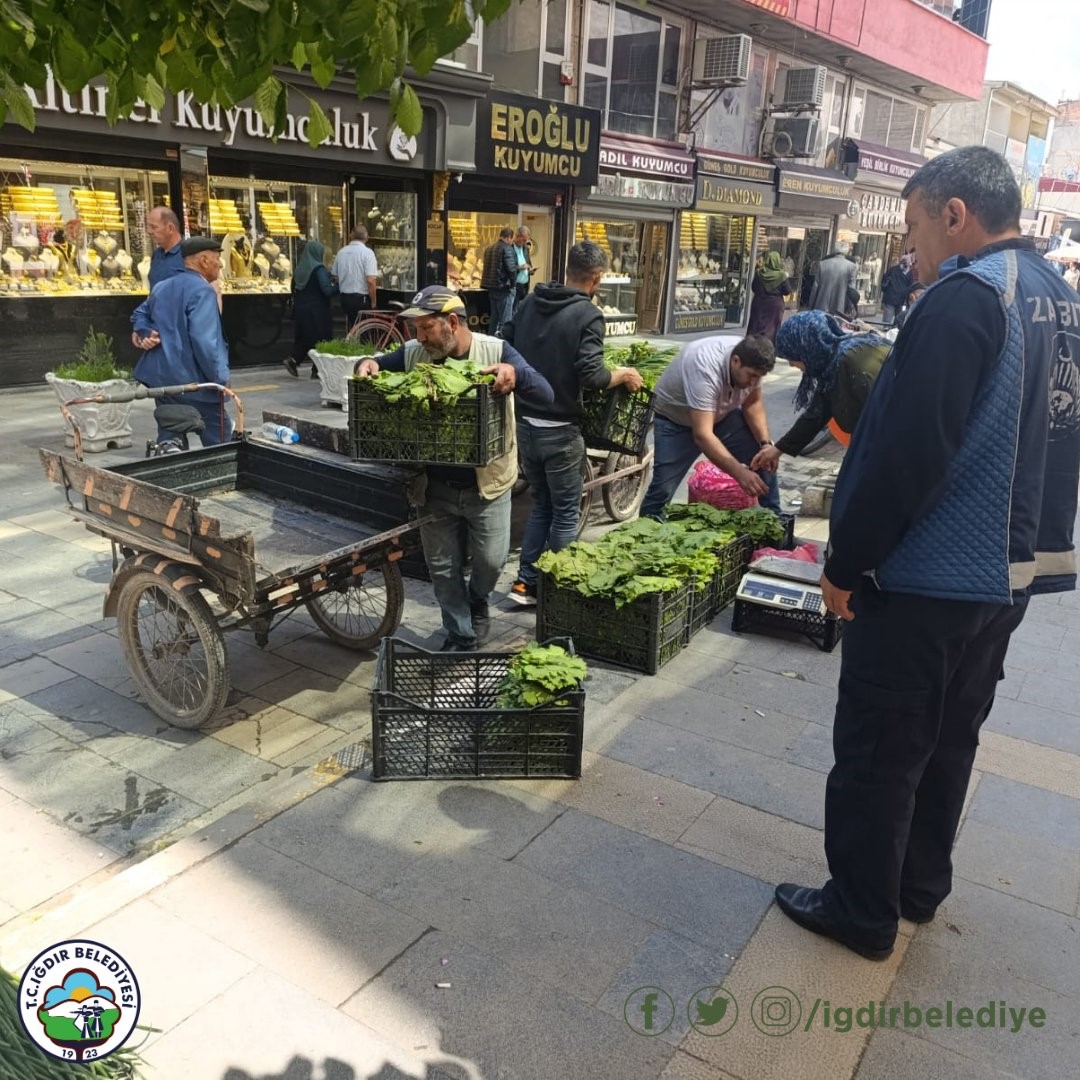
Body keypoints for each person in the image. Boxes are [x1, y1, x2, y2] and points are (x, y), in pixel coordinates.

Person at [774, 146, 1080, 961]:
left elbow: (907, 452)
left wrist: (846, 564)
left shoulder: (965, 299)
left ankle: (862, 910)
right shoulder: (1059, 298)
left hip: (931, 577)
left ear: (955, 214)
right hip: (1011, 575)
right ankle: (917, 886)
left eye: (914, 228)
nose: (910, 251)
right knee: (949, 739)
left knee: (880, 747)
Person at [355, 286, 554, 651]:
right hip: (434, 487)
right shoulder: (415, 353)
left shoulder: (495, 350)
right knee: (443, 570)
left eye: (426, 328)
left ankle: (477, 600)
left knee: (491, 561)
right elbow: (377, 364)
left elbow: (545, 392)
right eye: (416, 329)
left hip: (488, 486)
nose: (419, 337)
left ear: (452, 322)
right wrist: (366, 364)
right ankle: (461, 634)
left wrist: (515, 374)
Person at [502, 240, 643, 605]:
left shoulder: (530, 302)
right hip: (560, 431)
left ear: (567, 270)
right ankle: (555, 592)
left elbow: (506, 344)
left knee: (542, 506)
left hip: (526, 426)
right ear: (597, 278)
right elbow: (593, 375)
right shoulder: (588, 315)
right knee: (565, 513)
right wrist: (623, 374)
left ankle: (526, 584)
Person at [639, 334, 780, 520]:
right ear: (735, 361)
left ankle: (776, 520)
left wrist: (765, 444)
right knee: (662, 489)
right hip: (675, 421)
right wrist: (740, 473)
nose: (753, 382)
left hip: (721, 415)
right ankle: (647, 528)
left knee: (763, 458)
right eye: (751, 375)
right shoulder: (704, 367)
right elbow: (703, 435)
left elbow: (752, 403)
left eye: (759, 377)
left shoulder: (753, 360)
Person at [751, 312, 890, 477]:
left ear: (807, 348)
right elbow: (816, 415)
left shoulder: (851, 362)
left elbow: (883, 421)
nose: (792, 365)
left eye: (792, 357)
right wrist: (777, 450)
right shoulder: (834, 363)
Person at [130, 237, 233, 445]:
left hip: (163, 382)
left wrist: (144, 330)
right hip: (194, 383)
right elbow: (205, 343)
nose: (221, 264)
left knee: (171, 436)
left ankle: (169, 456)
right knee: (220, 438)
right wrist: (220, 381)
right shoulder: (203, 290)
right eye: (217, 258)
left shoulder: (162, 286)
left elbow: (139, 313)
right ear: (204, 260)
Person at [285, 240, 338, 379]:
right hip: (317, 311)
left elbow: (293, 288)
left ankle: (295, 361)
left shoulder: (299, 269)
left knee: (306, 338)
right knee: (322, 339)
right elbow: (327, 290)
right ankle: (317, 370)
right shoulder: (319, 269)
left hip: (301, 310)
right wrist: (339, 286)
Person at [332, 226, 378, 329]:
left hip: (345, 297)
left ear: (350, 236)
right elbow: (371, 280)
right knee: (364, 329)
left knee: (352, 326)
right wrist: (374, 302)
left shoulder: (341, 252)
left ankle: (351, 338)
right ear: (366, 238)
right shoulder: (368, 253)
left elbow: (335, 276)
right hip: (361, 299)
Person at [746, 251, 793, 342]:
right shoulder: (781, 275)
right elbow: (787, 291)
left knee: (756, 326)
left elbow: (753, 287)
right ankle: (767, 346)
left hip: (759, 303)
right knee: (772, 328)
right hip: (774, 306)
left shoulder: (759, 273)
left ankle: (751, 344)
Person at [480, 226, 518, 336]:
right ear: (509, 237)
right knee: (505, 321)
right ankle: (503, 342)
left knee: (494, 319)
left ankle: (491, 341)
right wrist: (513, 285)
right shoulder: (507, 249)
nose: (512, 242)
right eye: (512, 239)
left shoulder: (489, 248)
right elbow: (511, 269)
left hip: (492, 288)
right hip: (504, 288)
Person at [809, 241, 858, 317]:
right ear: (847, 251)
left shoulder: (822, 264)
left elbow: (815, 286)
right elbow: (851, 289)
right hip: (840, 308)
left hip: (821, 306)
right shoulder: (851, 267)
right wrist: (850, 307)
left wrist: (811, 304)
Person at [146, 206, 184, 289]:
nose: (149, 231)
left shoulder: (188, 253)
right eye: (148, 227)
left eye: (154, 227)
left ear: (170, 228)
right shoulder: (157, 254)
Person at [879, 253, 915, 325]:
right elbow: (910, 286)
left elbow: (885, 280)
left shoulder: (893, 269)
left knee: (888, 317)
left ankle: (887, 326)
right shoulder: (909, 274)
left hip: (891, 296)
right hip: (901, 298)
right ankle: (894, 327)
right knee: (898, 317)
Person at [512, 225, 536, 311]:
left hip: (525, 285)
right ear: (518, 236)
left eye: (526, 240)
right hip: (514, 285)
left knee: (522, 310)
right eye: (524, 240)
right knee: (513, 311)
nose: (525, 242)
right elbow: (508, 267)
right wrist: (520, 267)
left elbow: (528, 263)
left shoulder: (525, 248)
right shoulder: (510, 248)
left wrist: (530, 270)